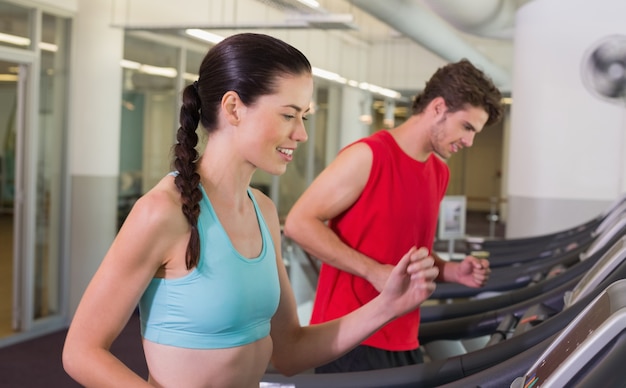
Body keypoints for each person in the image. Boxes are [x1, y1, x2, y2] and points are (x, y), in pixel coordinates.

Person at [62, 33, 440, 388]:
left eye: (303, 117)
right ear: (233, 108)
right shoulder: (162, 213)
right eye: (288, 115)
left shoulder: (263, 209)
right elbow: (81, 352)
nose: (301, 134)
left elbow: (290, 350)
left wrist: (389, 304)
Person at [283, 58, 504, 373]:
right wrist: (374, 272)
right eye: (467, 127)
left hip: (403, 335)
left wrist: (453, 271)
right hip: (350, 336)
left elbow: (407, 255)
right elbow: (298, 223)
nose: (469, 141)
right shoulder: (368, 156)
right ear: (438, 107)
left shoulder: (438, 172)